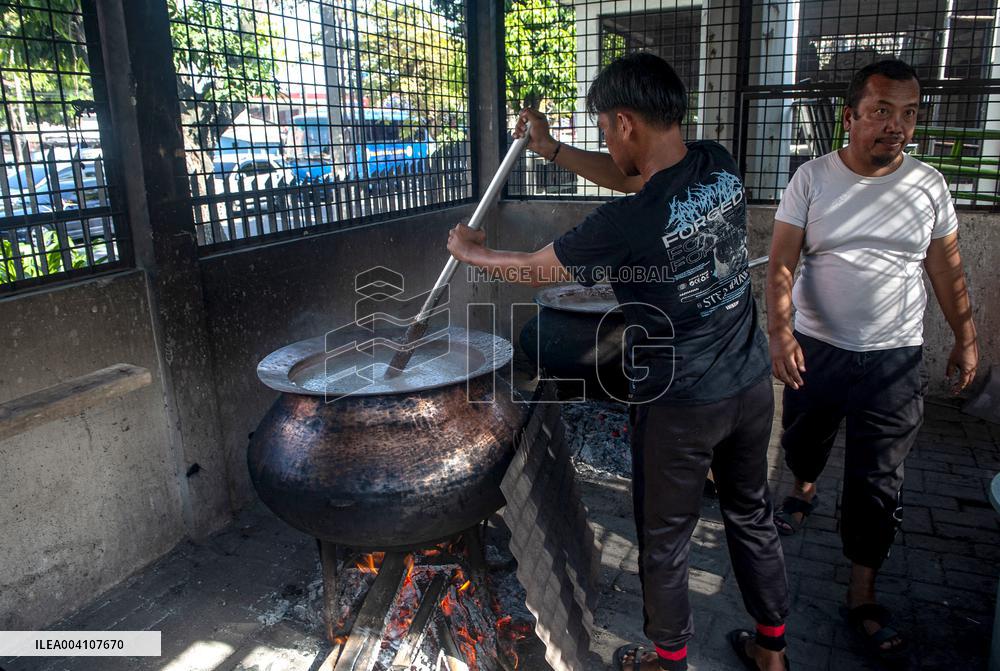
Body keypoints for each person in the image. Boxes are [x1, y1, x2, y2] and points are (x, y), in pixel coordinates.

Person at [447, 52, 790, 671]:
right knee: (751, 516)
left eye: (606, 125)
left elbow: (535, 271)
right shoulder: (717, 165)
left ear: (626, 121)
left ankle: (669, 661)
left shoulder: (630, 223)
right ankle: (773, 653)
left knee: (664, 541)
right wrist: (551, 150)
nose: (605, 138)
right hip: (749, 383)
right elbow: (631, 175)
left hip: (680, 403)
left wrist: (473, 253)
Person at [767, 59, 978, 660]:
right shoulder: (811, 179)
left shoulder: (928, 186)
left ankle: (862, 594)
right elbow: (781, 262)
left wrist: (966, 336)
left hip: (894, 361)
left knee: (878, 479)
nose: (896, 126)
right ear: (850, 116)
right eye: (882, 111)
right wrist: (780, 332)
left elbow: (947, 269)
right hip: (817, 350)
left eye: (908, 114)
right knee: (805, 440)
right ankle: (803, 488)